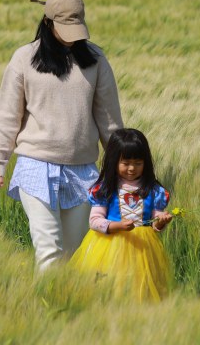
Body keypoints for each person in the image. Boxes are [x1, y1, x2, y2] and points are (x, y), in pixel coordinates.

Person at [0, 0, 123, 272]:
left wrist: (119, 169)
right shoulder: (24, 58)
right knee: (49, 251)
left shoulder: (96, 60)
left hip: (83, 171)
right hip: (35, 166)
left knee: (71, 257)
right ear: (48, 23)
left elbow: (109, 120)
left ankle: (64, 311)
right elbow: (8, 115)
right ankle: (45, 312)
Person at [70, 128, 173, 301]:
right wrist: (116, 226)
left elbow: (154, 225)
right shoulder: (105, 189)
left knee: (141, 287)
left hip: (142, 248)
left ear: (146, 163)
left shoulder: (153, 190)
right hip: (110, 245)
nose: (132, 168)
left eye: (138, 163)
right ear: (113, 161)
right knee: (110, 283)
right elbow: (94, 221)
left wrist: (161, 221)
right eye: (125, 163)